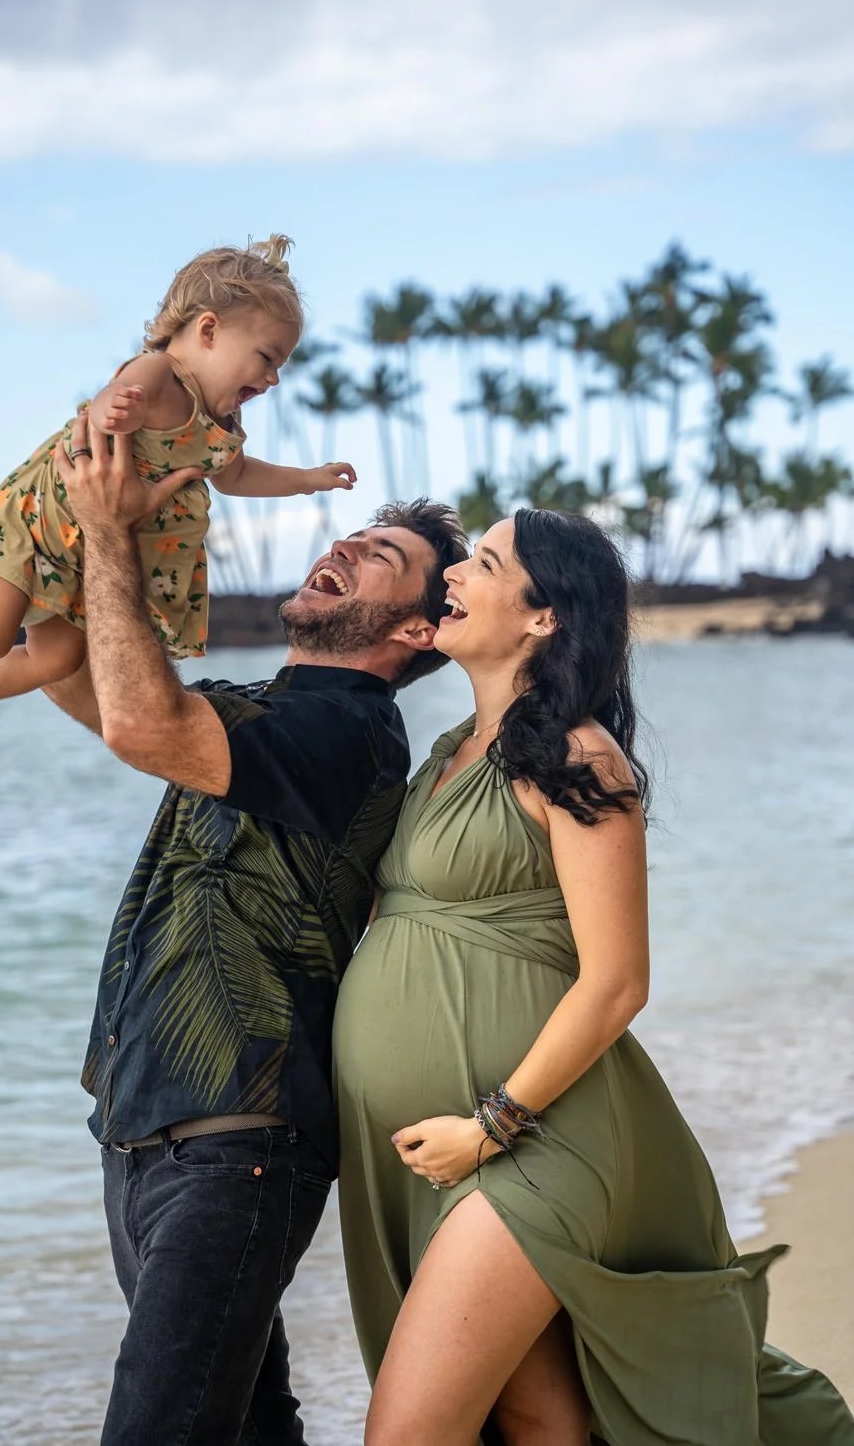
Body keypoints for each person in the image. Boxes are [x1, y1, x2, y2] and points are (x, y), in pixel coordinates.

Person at [333, 508, 854, 1446]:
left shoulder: (578, 756)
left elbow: (618, 982)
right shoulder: (448, 754)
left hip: (531, 1142)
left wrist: (487, 1129)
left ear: (543, 618)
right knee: (537, 1417)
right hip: (428, 1153)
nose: (453, 575)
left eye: (483, 564)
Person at [43, 407, 470, 1445]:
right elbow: (92, 686)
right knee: (246, 1427)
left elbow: (142, 721)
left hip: (240, 1139)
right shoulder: (256, 709)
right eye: (350, 535)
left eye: (378, 557)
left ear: (416, 630)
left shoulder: (348, 732)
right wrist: (74, 525)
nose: (342, 546)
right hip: (149, 1125)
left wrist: (106, 541)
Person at [0, 234, 354, 754]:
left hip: (86, 553)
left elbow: (236, 477)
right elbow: (116, 394)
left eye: (280, 364)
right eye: (266, 357)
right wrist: (112, 411)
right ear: (208, 330)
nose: (274, 378)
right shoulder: (161, 375)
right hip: (36, 526)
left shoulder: (222, 425)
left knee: (58, 660)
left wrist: (307, 479)